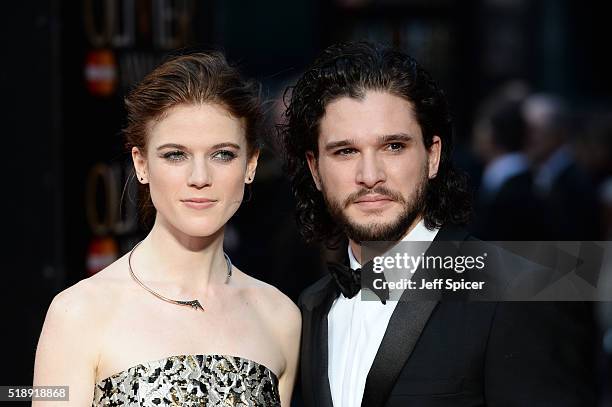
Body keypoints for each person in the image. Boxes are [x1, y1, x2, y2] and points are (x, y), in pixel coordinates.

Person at [280, 41, 595, 406]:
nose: (369, 175)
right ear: (315, 169)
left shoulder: (518, 291)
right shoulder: (312, 305)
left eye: (394, 147)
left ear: (433, 156)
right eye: (345, 151)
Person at [33, 52, 300, 406]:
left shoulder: (279, 317)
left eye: (222, 154)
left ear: (250, 165)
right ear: (141, 164)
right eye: (175, 155)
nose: (200, 179)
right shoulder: (79, 313)